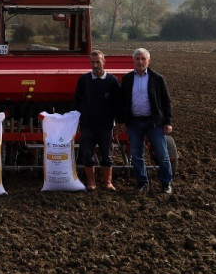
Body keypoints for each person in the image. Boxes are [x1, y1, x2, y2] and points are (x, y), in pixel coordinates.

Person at [117, 47, 174, 195]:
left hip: (154, 123)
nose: (140, 61)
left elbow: (166, 102)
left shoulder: (157, 79)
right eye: (137, 59)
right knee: (136, 154)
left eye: (143, 59)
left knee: (162, 154)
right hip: (134, 123)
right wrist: (122, 121)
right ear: (133, 61)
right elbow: (123, 102)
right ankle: (142, 183)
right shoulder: (128, 79)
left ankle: (166, 183)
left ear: (148, 61)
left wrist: (168, 122)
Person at [73, 49, 121, 191]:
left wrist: (118, 121)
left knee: (107, 154)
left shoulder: (112, 81)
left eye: (97, 62)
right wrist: (75, 119)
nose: (95, 65)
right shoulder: (84, 80)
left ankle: (107, 182)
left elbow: (118, 103)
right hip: (87, 124)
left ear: (103, 62)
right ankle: (91, 182)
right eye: (92, 62)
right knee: (88, 153)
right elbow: (77, 100)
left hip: (105, 125)